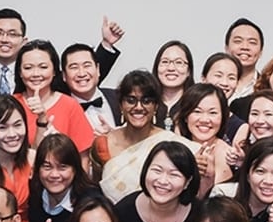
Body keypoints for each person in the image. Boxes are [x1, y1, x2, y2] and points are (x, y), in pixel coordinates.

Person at [91, 70, 192, 201]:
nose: (138, 107)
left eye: (146, 101)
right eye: (131, 100)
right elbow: (96, 191)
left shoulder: (168, 142)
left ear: (156, 106)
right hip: (113, 217)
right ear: (121, 105)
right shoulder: (103, 145)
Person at [113, 141, 201, 222]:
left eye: (174, 174)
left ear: (188, 182)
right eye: (157, 170)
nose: (163, 181)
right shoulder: (124, 210)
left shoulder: (201, 214)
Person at [28, 133, 101, 222]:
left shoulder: (91, 202)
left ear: (75, 169)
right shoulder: (35, 192)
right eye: (47, 167)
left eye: (63, 167)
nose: (54, 174)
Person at [14, 40, 95, 154]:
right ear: (20, 72)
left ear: (54, 71)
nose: (36, 73)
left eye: (43, 67)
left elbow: (82, 158)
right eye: (28, 68)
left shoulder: (70, 105)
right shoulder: (11, 104)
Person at [174, 83, 234, 192]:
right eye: (197, 111)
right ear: (186, 116)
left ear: (223, 117)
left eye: (213, 113)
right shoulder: (175, 146)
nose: (205, 119)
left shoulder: (226, 154)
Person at [151, 40, 195, 130]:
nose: (171, 68)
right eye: (165, 62)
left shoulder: (196, 104)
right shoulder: (146, 103)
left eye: (179, 62)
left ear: (189, 71)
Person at [223, 18, 265, 100]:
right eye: (238, 41)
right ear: (226, 48)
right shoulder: (215, 85)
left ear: (261, 52)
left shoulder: (268, 88)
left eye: (252, 42)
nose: (245, 47)